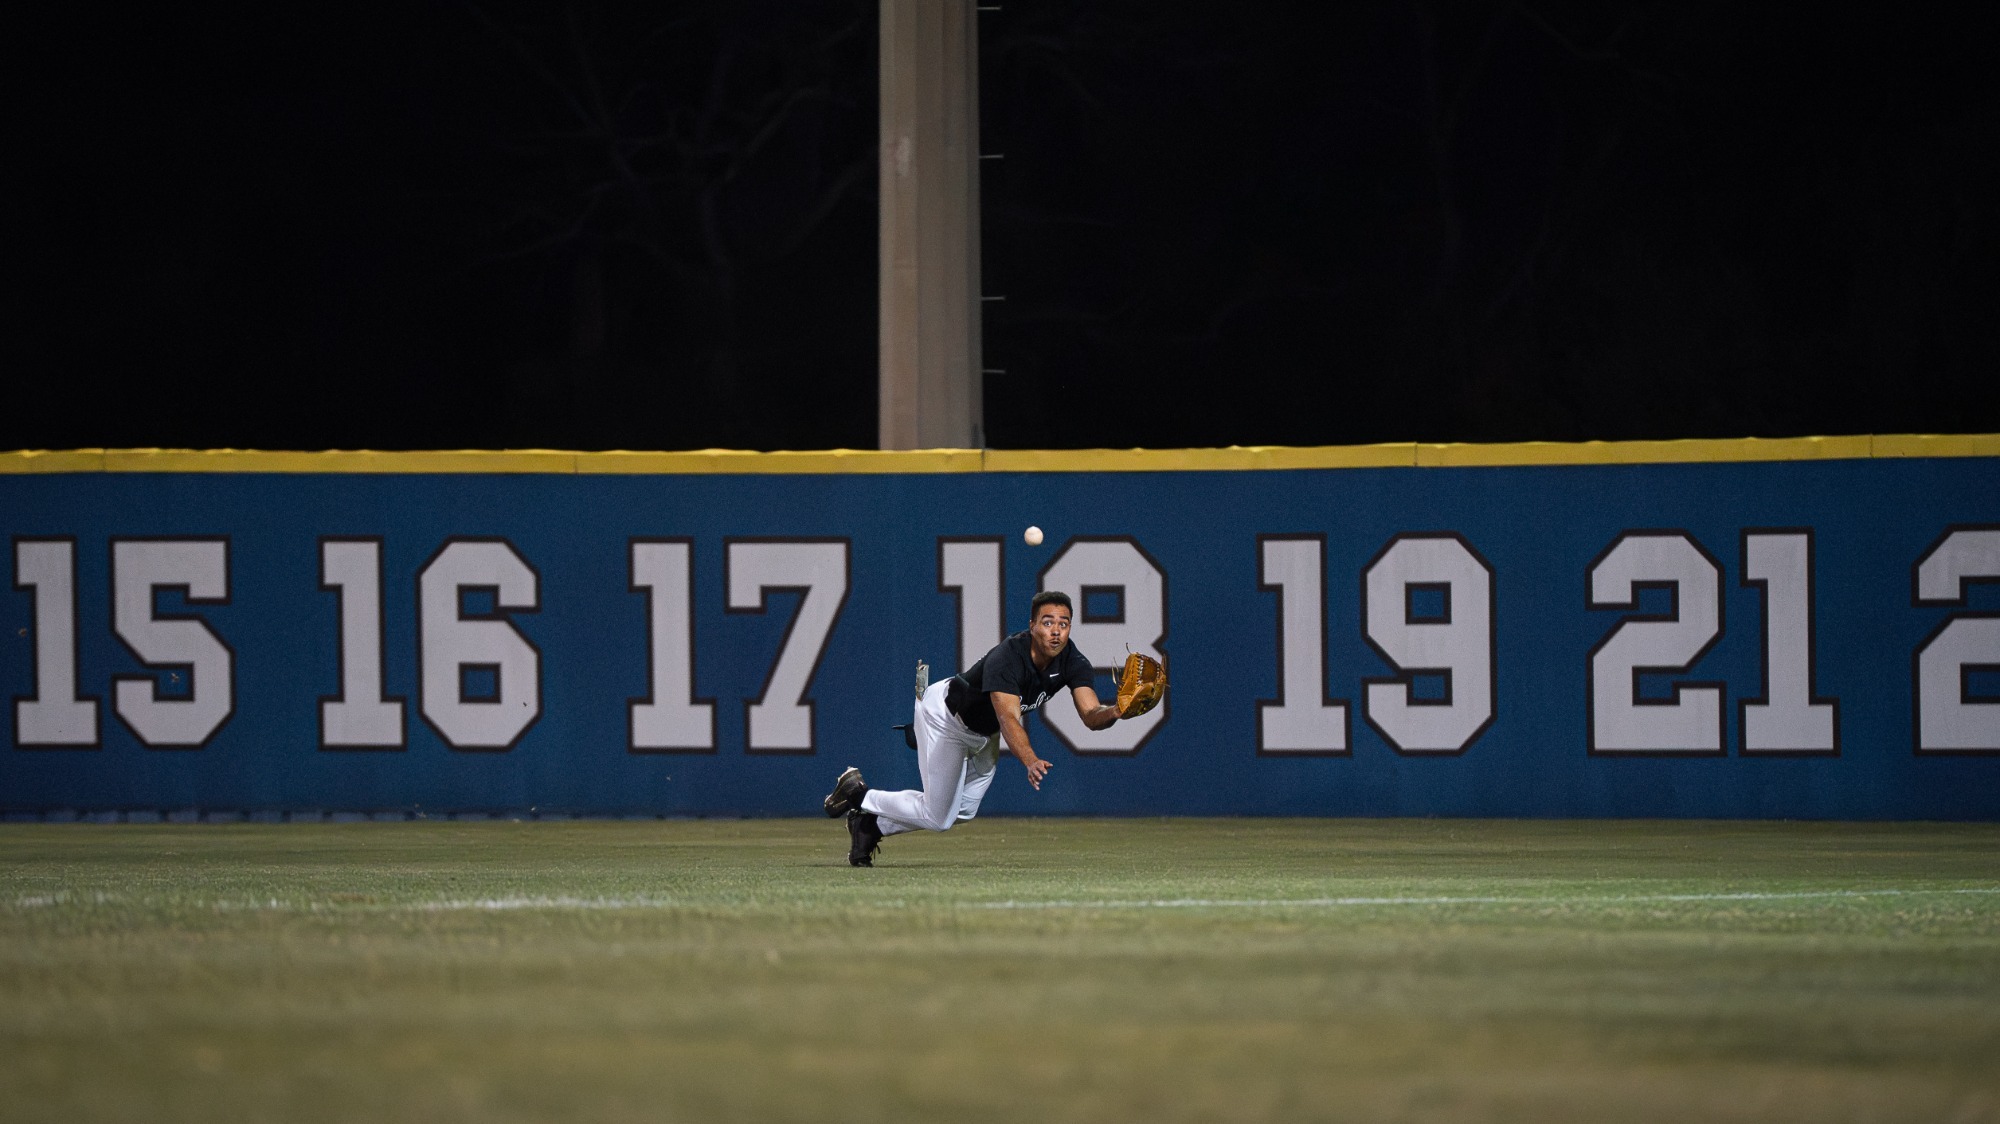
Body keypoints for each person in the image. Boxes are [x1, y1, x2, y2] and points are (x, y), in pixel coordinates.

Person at [821, 590, 1128, 866]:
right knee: (939, 817)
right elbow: (1009, 719)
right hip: (946, 719)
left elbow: (1090, 713)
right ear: (1032, 625)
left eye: (1064, 623)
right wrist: (1030, 760)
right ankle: (859, 794)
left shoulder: (1072, 661)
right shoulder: (1008, 658)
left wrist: (1117, 710)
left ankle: (870, 826)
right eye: (1048, 623)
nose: (1056, 631)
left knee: (963, 810)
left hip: (983, 732)